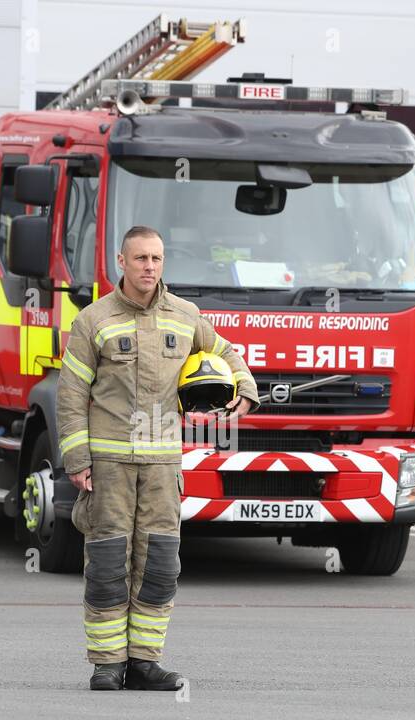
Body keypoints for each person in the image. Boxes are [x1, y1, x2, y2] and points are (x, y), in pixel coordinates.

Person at [57, 226, 260, 691]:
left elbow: (225, 352)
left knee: (160, 563)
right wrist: (78, 459)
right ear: (121, 262)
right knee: (109, 563)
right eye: (141, 258)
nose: (150, 266)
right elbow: (71, 395)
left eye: (157, 258)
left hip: (163, 464)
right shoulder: (94, 321)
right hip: (108, 464)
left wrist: (245, 389)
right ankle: (107, 664)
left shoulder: (185, 316)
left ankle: (145, 662)